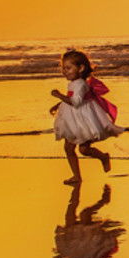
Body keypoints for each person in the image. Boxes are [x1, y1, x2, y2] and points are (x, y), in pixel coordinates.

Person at [49, 49, 122, 185]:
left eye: (68, 68)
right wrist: (59, 104)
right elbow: (72, 98)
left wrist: (59, 95)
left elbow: (76, 102)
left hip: (84, 119)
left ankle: (103, 157)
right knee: (69, 148)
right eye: (63, 68)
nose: (65, 71)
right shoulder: (73, 83)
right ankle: (76, 176)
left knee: (84, 149)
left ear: (81, 68)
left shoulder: (81, 84)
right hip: (72, 118)